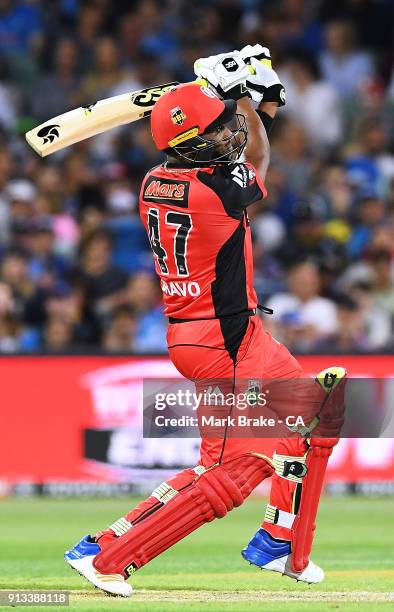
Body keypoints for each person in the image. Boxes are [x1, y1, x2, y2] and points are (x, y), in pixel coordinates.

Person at [64, 46, 346, 597]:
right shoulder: (215, 191)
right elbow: (258, 164)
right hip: (224, 343)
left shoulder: (155, 181)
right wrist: (256, 104)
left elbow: (232, 147)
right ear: (194, 149)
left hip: (226, 333)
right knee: (229, 475)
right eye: (218, 132)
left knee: (318, 411)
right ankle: (108, 557)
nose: (230, 134)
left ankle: (281, 543)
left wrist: (231, 97)